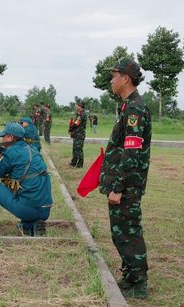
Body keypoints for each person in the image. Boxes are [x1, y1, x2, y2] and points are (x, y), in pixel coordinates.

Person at [99, 58, 152, 299]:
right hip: (124, 183)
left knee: (128, 231)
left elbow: (131, 151)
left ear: (126, 78)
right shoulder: (128, 106)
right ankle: (130, 277)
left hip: (127, 186)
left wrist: (118, 187)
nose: (111, 80)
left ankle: (138, 284)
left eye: (114, 75)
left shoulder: (134, 108)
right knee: (121, 232)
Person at [0, 122, 52, 235]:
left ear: (10, 137)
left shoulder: (12, 152)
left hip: (27, 210)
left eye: (4, 136)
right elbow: (17, 168)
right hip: (44, 209)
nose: (2, 139)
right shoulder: (32, 149)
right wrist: (2, 155)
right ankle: (31, 225)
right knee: (13, 183)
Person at [68, 100, 87, 168]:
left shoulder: (82, 114)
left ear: (80, 106)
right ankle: (74, 161)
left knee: (79, 149)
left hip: (79, 135)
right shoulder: (79, 114)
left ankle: (80, 163)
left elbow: (76, 124)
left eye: (77, 105)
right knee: (75, 148)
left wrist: (70, 129)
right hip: (76, 134)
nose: (75, 106)